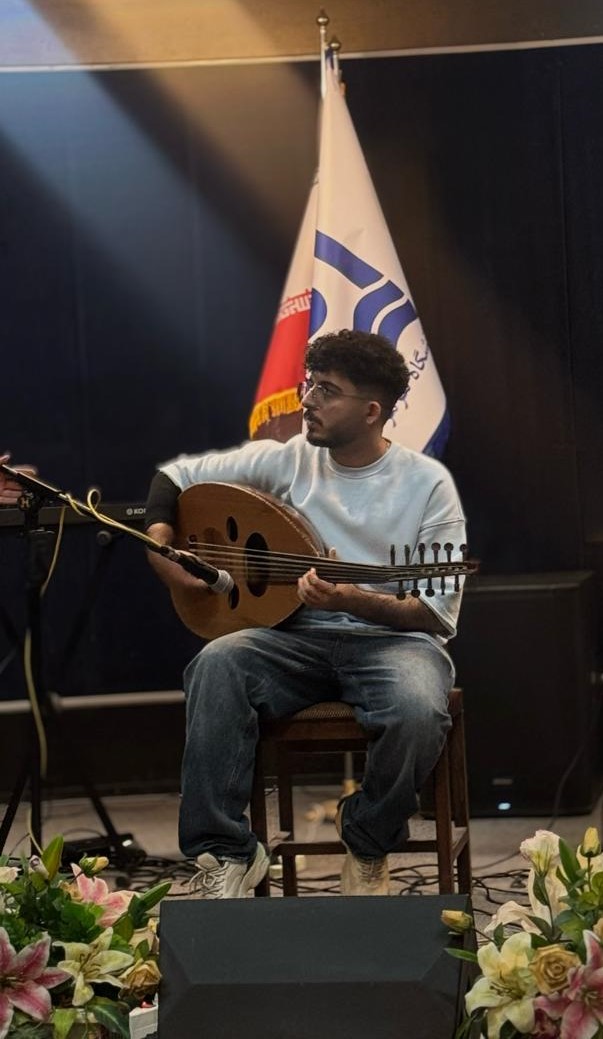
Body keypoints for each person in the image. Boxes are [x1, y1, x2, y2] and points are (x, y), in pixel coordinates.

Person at [144, 329, 466, 898]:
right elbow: (174, 478)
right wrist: (160, 545)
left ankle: (367, 837)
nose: (307, 401)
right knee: (217, 663)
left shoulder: (427, 486)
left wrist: (352, 600)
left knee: (417, 708)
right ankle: (227, 853)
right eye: (309, 385)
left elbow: (435, 614)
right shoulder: (287, 459)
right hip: (292, 636)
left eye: (327, 391)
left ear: (372, 411)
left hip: (394, 641)